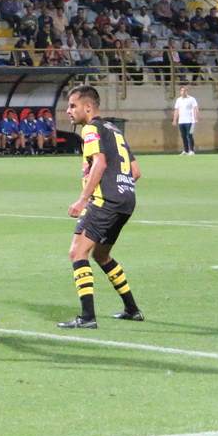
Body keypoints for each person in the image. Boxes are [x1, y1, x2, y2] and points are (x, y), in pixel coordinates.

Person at [56, 84, 144, 329]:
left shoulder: (91, 129)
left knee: (77, 252)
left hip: (105, 201)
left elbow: (100, 162)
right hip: (127, 200)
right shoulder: (114, 129)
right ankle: (132, 309)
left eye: (73, 106)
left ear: (88, 107)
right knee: (102, 254)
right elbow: (135, 171)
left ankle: (87, 317)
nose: (68, 111)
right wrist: (118, 186)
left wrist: (84, 199)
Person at [172, 85, 199, 155]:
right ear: (180, 92)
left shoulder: (192, 99)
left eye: (184, 90)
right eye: (182, 91)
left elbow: (195, 109)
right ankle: (186, 150)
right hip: (181, 121)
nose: (183, 92)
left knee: (189, 135)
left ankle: (191, 150)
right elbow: (176, 110)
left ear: (187, 91)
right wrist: (174, 120)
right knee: (183, 136)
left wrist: (196, 118)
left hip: (190, 120)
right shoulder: (178, 100)